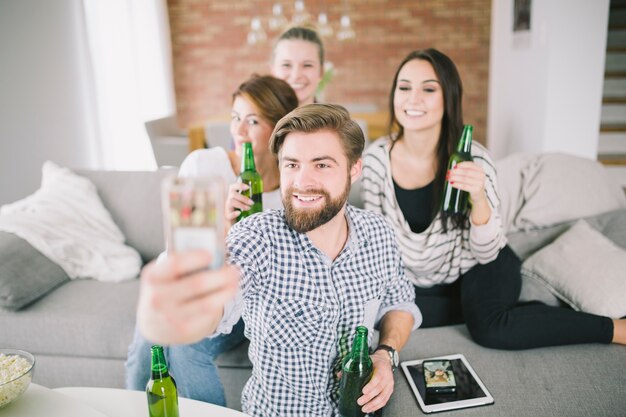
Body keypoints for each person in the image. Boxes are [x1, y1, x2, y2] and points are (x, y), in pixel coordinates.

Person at [136, 104, 422, 416]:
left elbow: (400, 303)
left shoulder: (378, 233)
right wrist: (169, 313)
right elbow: (209, 315)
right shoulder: (257, 238)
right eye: (292, 165)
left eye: (321, 165)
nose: (302, 181)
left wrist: (385, 354)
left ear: (354, 168)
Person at [361, 48, 626, 349]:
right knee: (375, 315)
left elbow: (486, 251)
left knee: (491, 329)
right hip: (418, 280)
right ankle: (511, 310)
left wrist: (479, 197)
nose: (413, 99)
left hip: (479, 265)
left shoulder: (474, 158)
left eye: (429, 89)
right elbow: (378, 243)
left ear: (449, 97)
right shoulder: (375, 160)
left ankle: (615, 329)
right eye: (404, 87)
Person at [125, 74, 299, 405]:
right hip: (193, 282)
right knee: (149, 343)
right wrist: (221, 222)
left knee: (185, 344)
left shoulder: (292, 187)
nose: (239, 130)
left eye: (253, 121)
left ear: (279, 128)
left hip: (244, 302)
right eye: (235, 117)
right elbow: (181, 250)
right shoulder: (203, 165)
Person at [270, 26, 324, 106]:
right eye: (286, 65)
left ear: (321, 72)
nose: (296, 75)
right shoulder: (254, 117)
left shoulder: (337, 118)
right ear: (273, 71)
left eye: (307, 65)